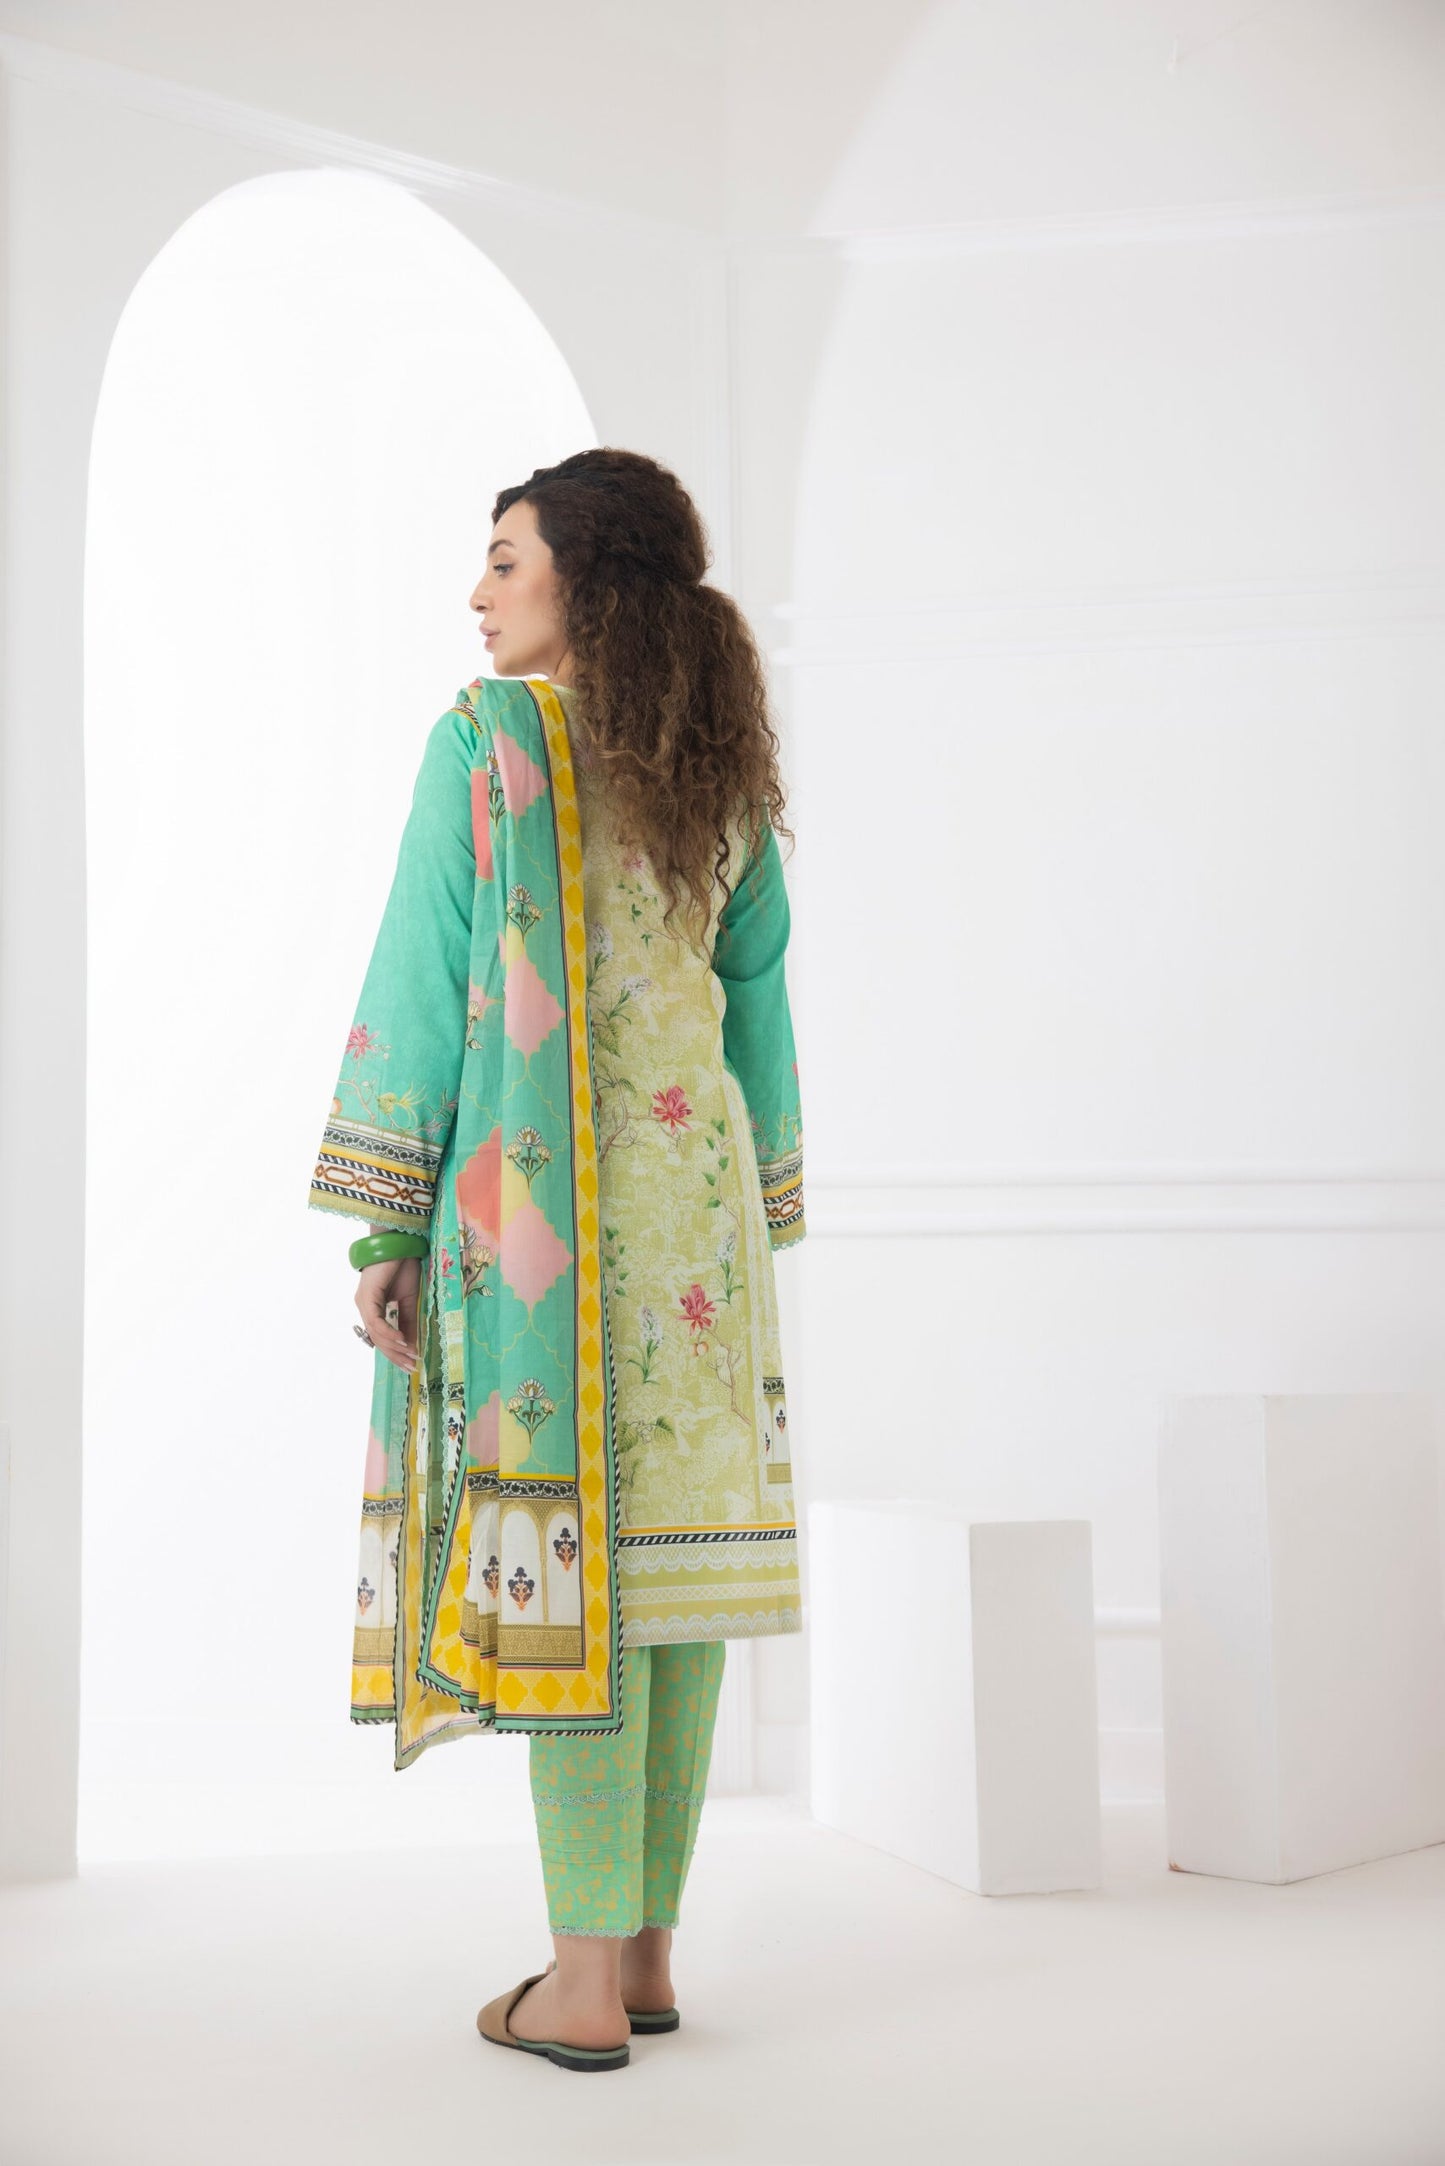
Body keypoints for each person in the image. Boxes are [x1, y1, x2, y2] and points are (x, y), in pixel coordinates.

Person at [306, 447, 806, 2073]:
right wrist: (765, 1208)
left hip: (544, 1229)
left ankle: (579, 1986)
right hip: (700, 1235)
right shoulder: (715, 768)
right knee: (666, 1580)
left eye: (505, 559)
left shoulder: (484, 747)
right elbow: (758, 1010)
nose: (479, 592)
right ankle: (644, 1955)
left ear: (580, 578)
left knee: (569, 1571)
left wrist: (387, 1221)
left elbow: (419, 972)